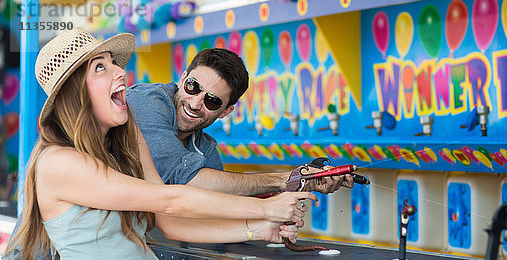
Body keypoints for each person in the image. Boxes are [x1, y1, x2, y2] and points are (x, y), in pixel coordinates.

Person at [3, 28, 316, 260]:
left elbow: (168, 221)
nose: (121, 72)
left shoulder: (130, 135)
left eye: (114, 63)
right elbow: (170, 198)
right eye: (100, 68)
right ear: (74, 92)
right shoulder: (59, 161)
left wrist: (259, 228)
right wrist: (267, 204)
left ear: (226, 110)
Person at [127, 47, 355, 195]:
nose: (196, 103)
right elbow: (182, 177)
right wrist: (284, 179)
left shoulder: (205, 150)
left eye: (213, 101)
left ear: (226, 111)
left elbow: (218, 203)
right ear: (183, 77)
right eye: (193, 87)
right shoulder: (147, 101)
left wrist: (301, 182)